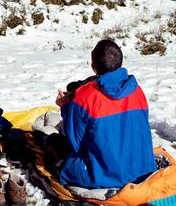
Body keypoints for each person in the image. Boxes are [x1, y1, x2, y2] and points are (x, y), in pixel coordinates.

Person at [54, 39, 157, 189]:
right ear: (120, 62)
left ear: (93, 68)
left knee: (54, 148)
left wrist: (65, 108)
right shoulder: (137, 91)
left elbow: (75, 143)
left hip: (104, 176)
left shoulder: (84, 99)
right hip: (143, 170)